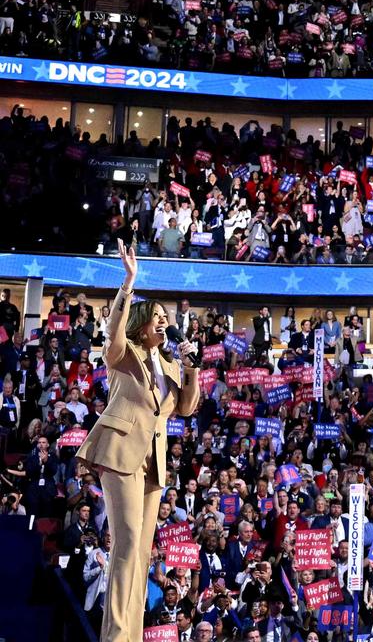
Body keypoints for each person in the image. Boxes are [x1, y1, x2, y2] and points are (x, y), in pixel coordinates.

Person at [74, 241, 200, 641]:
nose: (164, 322)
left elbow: (185, 408)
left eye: (167, 317)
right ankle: (114, 637)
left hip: (153, 460)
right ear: (142, 322)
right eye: (157, 317)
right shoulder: (124, 353)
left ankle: (130, 635)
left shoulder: (169, 363)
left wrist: (191, 368)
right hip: (120, 451)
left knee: (142, 554)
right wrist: (129, 285)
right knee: (126, 546)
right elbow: (112, 331)